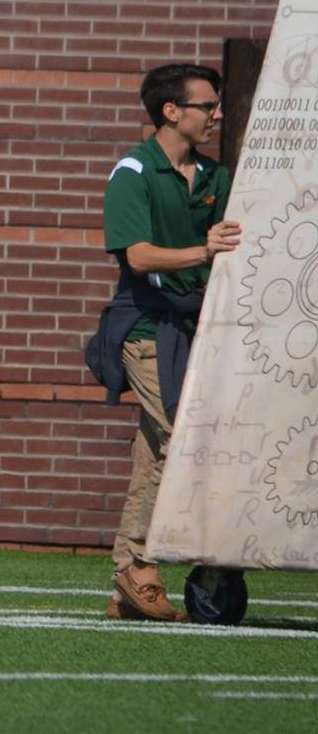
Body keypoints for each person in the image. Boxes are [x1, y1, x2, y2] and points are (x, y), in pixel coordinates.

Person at [87, 63, 238, 623]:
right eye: (207, 105)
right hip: (148, 330)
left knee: (154, 454)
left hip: (198, 330)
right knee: (182, 442)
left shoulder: (216, 177)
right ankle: (145, 567)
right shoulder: (133, 171)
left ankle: (129, 579)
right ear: (171, 111)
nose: (216, 114)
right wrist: (205, 250)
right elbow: (138, 256)